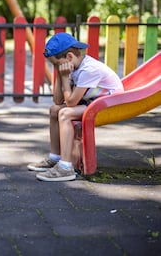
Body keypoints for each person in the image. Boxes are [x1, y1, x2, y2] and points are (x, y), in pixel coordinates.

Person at [28, 33, 124, 182]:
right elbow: (58, 99)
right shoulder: (74, 67)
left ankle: (65, 168)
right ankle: (55, 158)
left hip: (108, 106)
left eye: (56, 64)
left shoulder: (88, 70)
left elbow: (71, 102)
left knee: (65, 113)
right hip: (93, 103)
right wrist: (61, 75)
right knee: (55, 110)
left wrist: (65, 77)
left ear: (70, 57)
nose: (56, 68)